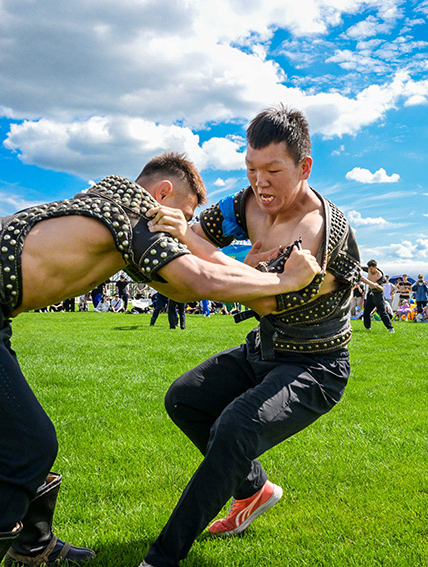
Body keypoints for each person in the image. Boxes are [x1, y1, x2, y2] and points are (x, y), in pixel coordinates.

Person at [0, 152, 320, 567]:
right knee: (24, 448)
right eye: (184, 215)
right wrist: (284, 280)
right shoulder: (136, 216)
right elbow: (197, 277)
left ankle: (34, 545)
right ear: (162, 193)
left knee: (23, 434)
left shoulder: (106, 203)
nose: (179, 228)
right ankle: (16, 548)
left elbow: (182, 285)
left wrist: (246, 271)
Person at [138, 106, 359, 567]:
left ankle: (161, 557)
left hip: (315, 367)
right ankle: (254, 489)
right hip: (263, 350)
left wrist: (222, 258)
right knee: (184, 398)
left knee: (234, 428)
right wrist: (236, 260)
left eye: (273, 171)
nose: (260, 182)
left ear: (304, 167)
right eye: (251, 169)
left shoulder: (317, 232)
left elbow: (260, 299)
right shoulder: (245, 203)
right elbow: (195, 234)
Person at [360, 259, 395, 333]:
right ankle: (367, 327)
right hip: (370, 293)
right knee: (366, 312)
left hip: (378, 294)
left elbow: (381, 288)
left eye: (371, 269)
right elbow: (361, 267)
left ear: (375, 267)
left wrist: (373, 284)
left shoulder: (380, 276)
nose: (370, 270)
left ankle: (390, 328)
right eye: (369, 268)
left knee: (382, 312)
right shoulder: (369, 269)